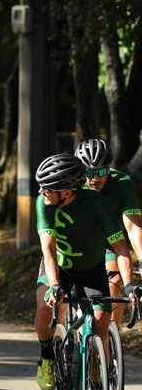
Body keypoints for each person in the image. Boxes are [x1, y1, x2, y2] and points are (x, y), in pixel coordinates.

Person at [34, 153, 135, 390]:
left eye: (47, 188)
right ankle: (47, 356)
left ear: (68, 191)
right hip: (58, 268)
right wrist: (55, 284)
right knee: (45, 307)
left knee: (100, 331)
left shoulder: (96, 203)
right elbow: (48, 249)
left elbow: (121, 248)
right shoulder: (44, 203)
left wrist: (129, 284)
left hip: (91, 271)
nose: (41, 192)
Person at [75, 138, 142, 327]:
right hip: (74, 241)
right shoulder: (73, 185)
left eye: (101, 171)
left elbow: (133, 225)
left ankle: (111, 338)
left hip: (107, 241)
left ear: (109, 168)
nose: (95, 179)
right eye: (89, 172)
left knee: (116, 283)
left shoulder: (122, 182)